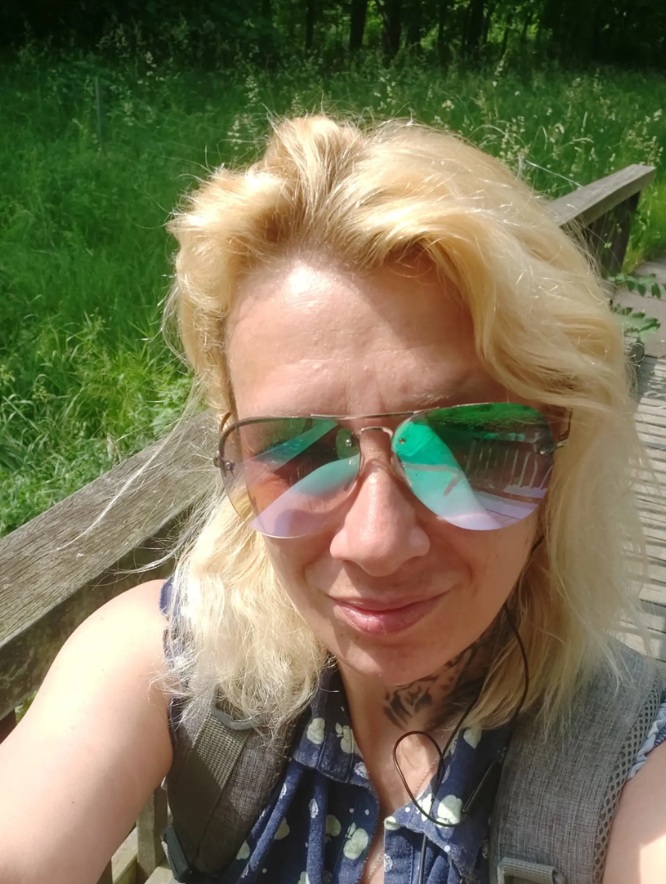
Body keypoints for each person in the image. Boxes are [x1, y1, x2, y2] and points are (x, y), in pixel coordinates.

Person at [1, 114, 665, 884]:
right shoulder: (166, 666)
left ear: (561, 440)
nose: (376, 543)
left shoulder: (631, 766)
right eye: (301, 452)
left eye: (467, 445)